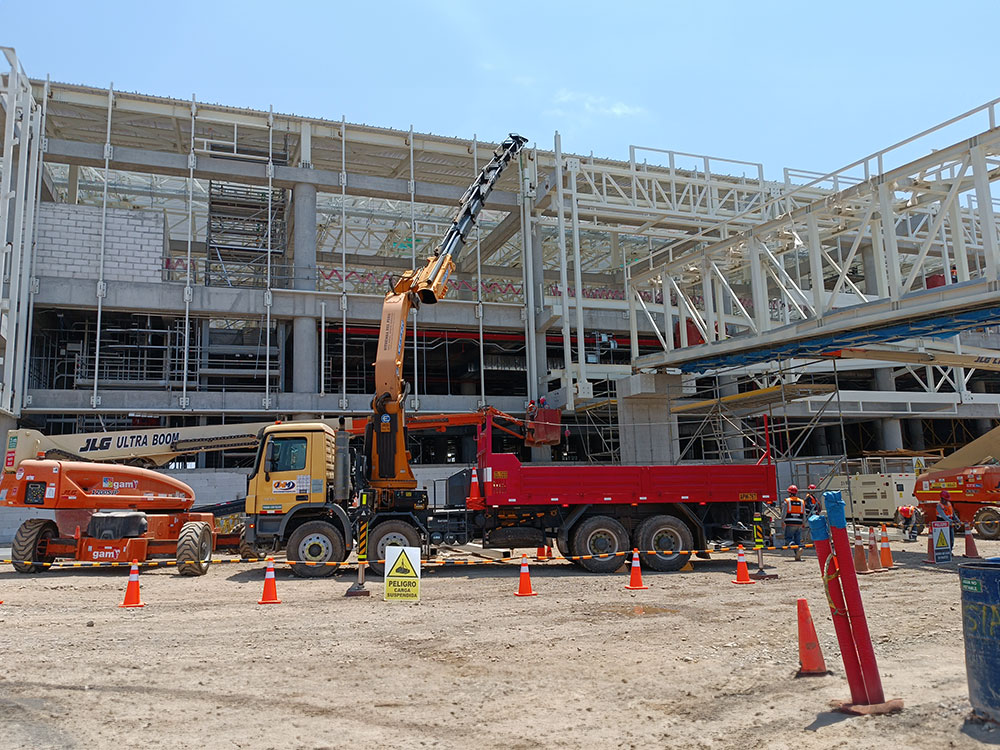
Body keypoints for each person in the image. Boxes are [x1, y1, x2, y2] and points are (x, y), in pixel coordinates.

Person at [783, 484, 805, 561]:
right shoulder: (802, 502)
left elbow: (784, 513)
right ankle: (798, 554)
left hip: (790, 523)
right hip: (799, 523)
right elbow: (804, 514)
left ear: (789, 493)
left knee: (788, 538)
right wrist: (803, 523)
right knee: (798, 539)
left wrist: (782, 521)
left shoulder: (787, 501)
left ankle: (793, 545)